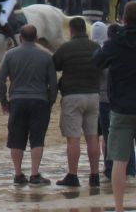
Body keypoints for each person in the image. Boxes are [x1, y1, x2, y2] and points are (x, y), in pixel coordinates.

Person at [0, 25, 58, 185]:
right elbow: (53, 82)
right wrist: (50, 101)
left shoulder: (10, 55)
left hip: (17, 100)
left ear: (20, 38)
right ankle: (35, 174)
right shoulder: (46, 56)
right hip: (40, 100)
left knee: (16, 138)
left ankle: (18, 174)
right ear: (36, 38)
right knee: (37, 139)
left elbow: (0, 80)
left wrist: (3, 101)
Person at [93, 1, 136, 212]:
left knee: (119, 160)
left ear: (124, 19)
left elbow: (97, 62)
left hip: (120, 107)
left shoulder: (115, 43)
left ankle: (119, 208)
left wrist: (111, 38)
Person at [53, 17, 102, 187]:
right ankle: (94, 175)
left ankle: (73, 176)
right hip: (94, 95)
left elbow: (55, 65)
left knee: (73, 139)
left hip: (72, 96)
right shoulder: (96, 47)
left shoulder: (65, 48)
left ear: (71, 30)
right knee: (92, 137)